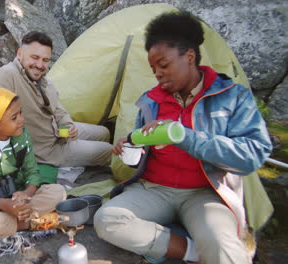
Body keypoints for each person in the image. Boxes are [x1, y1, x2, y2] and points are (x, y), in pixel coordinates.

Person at [94, 11, 272, 264]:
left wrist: (186, 137)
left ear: (189, 57)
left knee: (223, 245)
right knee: (107, 219)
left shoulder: (232, 97)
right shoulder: (150, 101)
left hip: (205, 193)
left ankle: (212, 248)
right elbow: (141, 155)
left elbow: (252, 155)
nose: (157, 74)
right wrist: (130, 149)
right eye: (153, 69)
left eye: (163, 65)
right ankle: (194, 252)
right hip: (155, 189)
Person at [0, 85, 66, 256]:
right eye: (14, 117)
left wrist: (26, 193)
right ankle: (26, 224)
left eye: (21, 113)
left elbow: (33, 172)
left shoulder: (22, 134)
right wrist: (4, 205)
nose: (21, 120)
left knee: (58, 192)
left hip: (18, 199)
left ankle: (0, 229)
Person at [0, 31, 112, 169]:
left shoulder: (43, 81)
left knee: (104, 132)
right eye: (35, 57)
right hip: (46, 151)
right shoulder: (4, 78)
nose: (40, 65)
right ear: (20, 53)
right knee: (110, 151)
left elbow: (58, 109)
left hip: (58, 133)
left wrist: (68, 125)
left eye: (45, 60)